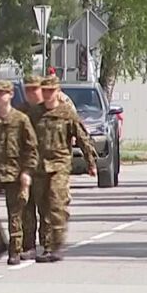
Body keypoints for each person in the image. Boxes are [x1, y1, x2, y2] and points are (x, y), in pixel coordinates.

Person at [34, 75, 98, 262]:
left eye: (51, 91)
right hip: (39, 166)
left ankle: (56, 245)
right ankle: (47, 247)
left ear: (57, 92)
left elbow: (82, 138)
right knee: (44, 208)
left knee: (57, 204)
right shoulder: (35, 114)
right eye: (44, 91)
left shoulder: (66, 113)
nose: (47, 95)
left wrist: (90, 162)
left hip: (60, 164)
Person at [0, 80, 38, 266]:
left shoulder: (21, 120)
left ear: (11, 95)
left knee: (15, 213)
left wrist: (27, 172)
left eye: (3, 93)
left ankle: (15, 250)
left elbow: (31, 148)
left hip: (15, 173)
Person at [19, 75, 45, 260]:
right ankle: (28, 245)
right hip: (26, 166)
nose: (30, 93)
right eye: (27, 89)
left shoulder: (53, 110)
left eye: (34, 89)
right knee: (26, 208)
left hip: (47, 167)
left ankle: (47, 243)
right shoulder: (20, 112)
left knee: (46, 208)